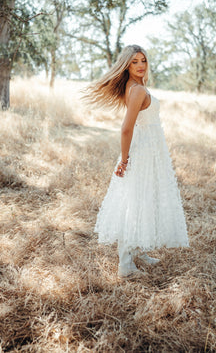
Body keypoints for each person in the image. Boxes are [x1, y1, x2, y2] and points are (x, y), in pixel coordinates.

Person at [86, 45, 189, 278]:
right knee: (133, 202)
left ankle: (137, 251)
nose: (141, 65)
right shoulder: (137, 91)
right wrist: (124, 161)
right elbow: (126, 129)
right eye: (134, 62)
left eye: (143, 60)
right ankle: (125, 265)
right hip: (140, 152)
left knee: (145, 198)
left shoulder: (136, 87)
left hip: (150, 150)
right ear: (126, 65)